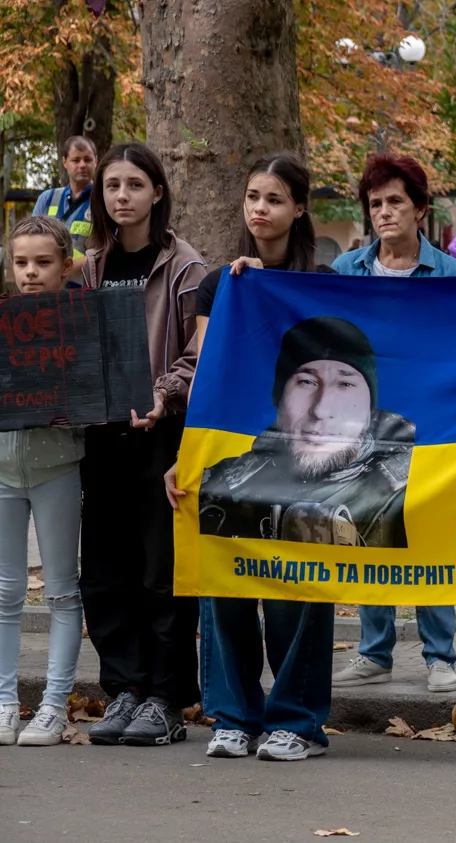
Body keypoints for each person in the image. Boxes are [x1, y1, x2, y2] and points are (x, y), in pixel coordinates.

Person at [161, 155, 338, 761]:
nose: (259, 209)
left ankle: (298, 722)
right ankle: (232, 716)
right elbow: (212, 373)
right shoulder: (220, 283)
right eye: (252, 197)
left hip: (307, 458)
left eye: (274, 199)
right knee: (226, 587)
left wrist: (276, 294)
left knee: (299, 591)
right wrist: (185, 458)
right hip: (233, 454)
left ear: (299, 209)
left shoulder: (325, 279)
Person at [79, 143, 206, 746]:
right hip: (101, 438)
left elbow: (198, 355)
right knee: (106, 572)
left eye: (134, 184)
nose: (121, 196)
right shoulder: (89, 267)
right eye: (111, 186)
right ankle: (123, 691)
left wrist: (163, 394)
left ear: (157, 191)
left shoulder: (185, 268)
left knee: (161, 573)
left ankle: (165, 698)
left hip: (163, 438)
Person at [330, 153, 456, 694]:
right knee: (370, 530)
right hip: (366, 429)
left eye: (395, 202)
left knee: (430, 534)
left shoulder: (453, 274)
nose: (384, 212)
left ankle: (440, 656)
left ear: (420, 210)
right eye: (376, 204)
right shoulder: (347, 271)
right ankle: (374, 652)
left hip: (433, 423)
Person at [196, 317, 412, 547]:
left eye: (345, 384)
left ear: (370, 410)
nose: (321, 409)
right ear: (279, 400)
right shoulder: (224, 483)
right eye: (307, 382)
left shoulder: (418, 485)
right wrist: (188, 464)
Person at [0, 216, 85, 747]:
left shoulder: (81, 323)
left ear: (66, 265)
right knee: (5, 591)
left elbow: (96, 398)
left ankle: (53, 704)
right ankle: (5, 702)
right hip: (3, 469)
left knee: (60, 591)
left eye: (43, 262)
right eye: (21, 263)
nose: (31, 273)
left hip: (58, 467)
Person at [32, 135, 97, 275]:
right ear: (64, 162)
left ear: (96, 161)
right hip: (48, 289)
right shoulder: (47, 199)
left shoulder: (104, 201)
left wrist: (60, 271)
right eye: (75, 160)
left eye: (87, 159)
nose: (82, 165)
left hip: (86, 290)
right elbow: (31, 243)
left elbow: (105, 254)